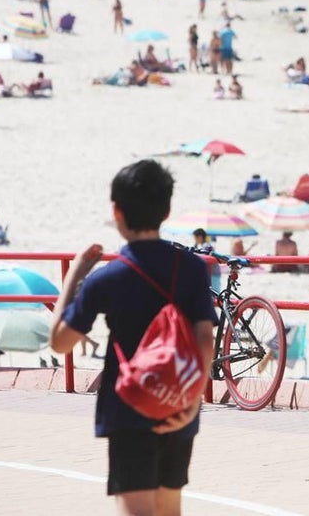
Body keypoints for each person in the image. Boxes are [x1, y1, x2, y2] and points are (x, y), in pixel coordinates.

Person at [49, 160, 216, 514]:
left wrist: (74, 277)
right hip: (178, 400)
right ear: (167, 210)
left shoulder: (106, 278)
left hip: (128, 406)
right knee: (170, 507)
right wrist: (191, 403)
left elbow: (60, 342)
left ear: (117, 211)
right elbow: (205, 340)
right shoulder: (191, 267)